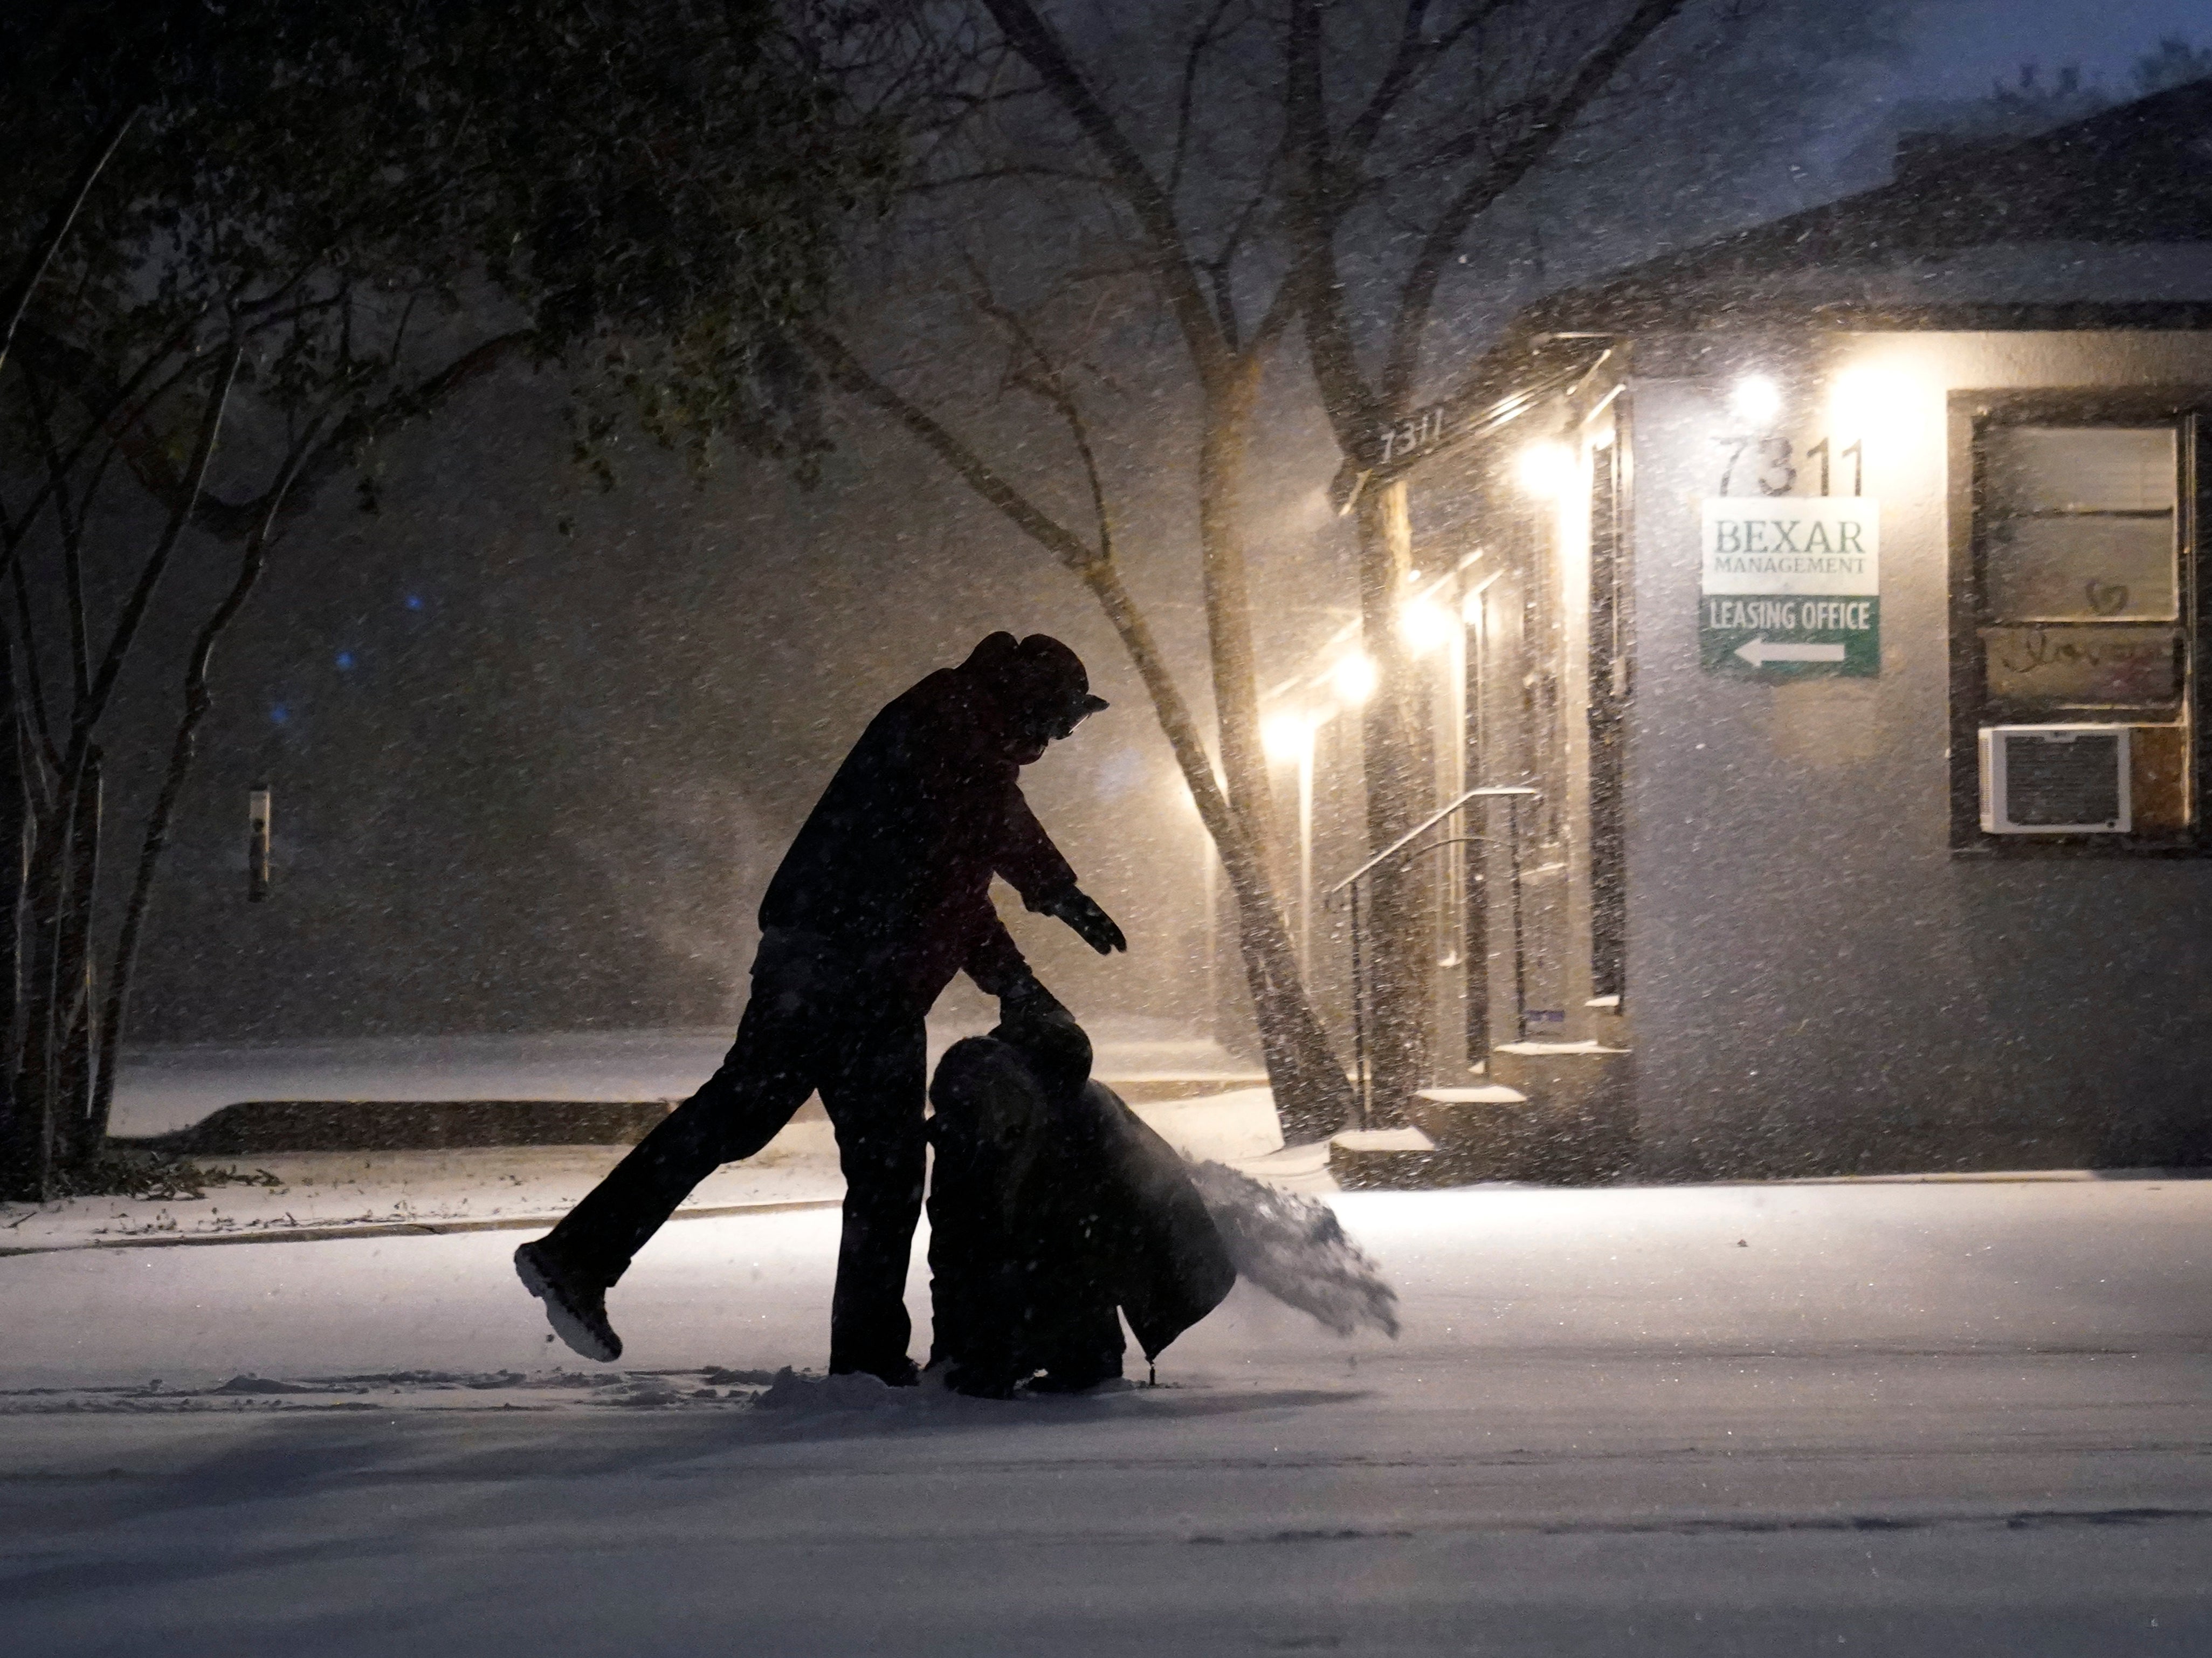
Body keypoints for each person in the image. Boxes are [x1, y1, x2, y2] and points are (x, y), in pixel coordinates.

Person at [515, 632, 1126, 1381]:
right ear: (1031, 701)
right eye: (1060, 721)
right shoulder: (949, 725)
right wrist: (1039, 926)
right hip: (850, 972)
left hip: (843, 968)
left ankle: (587, 1258)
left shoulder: (964, 732)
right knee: (833, 1153)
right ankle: (586, 1259)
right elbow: (964, 865)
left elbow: (962, 875)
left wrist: (1037, 926)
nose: (1057, 739)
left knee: (808, 1143)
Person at [924, 1007, 1237, 1398]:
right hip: (1082, 1238)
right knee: (1004, 1262)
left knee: (1058, 1264)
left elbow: (1082, 1254)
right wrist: (952, 1353)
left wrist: (1009, 1349)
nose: (992, 1133)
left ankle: (1084, 1359)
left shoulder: (1080, 1133)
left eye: (999, 1119)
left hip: (1139, 1234)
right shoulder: (962, 1139)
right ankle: (1037, 1351)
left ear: (1019, 1098)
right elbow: (952, 1252)